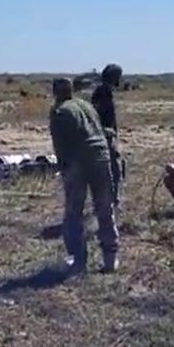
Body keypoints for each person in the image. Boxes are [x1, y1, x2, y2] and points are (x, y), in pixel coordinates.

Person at [49, 77, 119, 273]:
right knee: (105, 208)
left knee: (74, 212)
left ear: (55, 92)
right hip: (101, 158)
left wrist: (64, 167)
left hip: (78, 162)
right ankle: (110, 258)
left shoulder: (59, 111)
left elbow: (60, 144)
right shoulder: (86, 106)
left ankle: (78, 260)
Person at [90, 64, 125, 206]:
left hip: (104, 134)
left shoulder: (103, 90)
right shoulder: (104, 91)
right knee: (113, 168)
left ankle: (109, 198)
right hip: (104, 135)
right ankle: (110, 199)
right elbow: (99, 113)